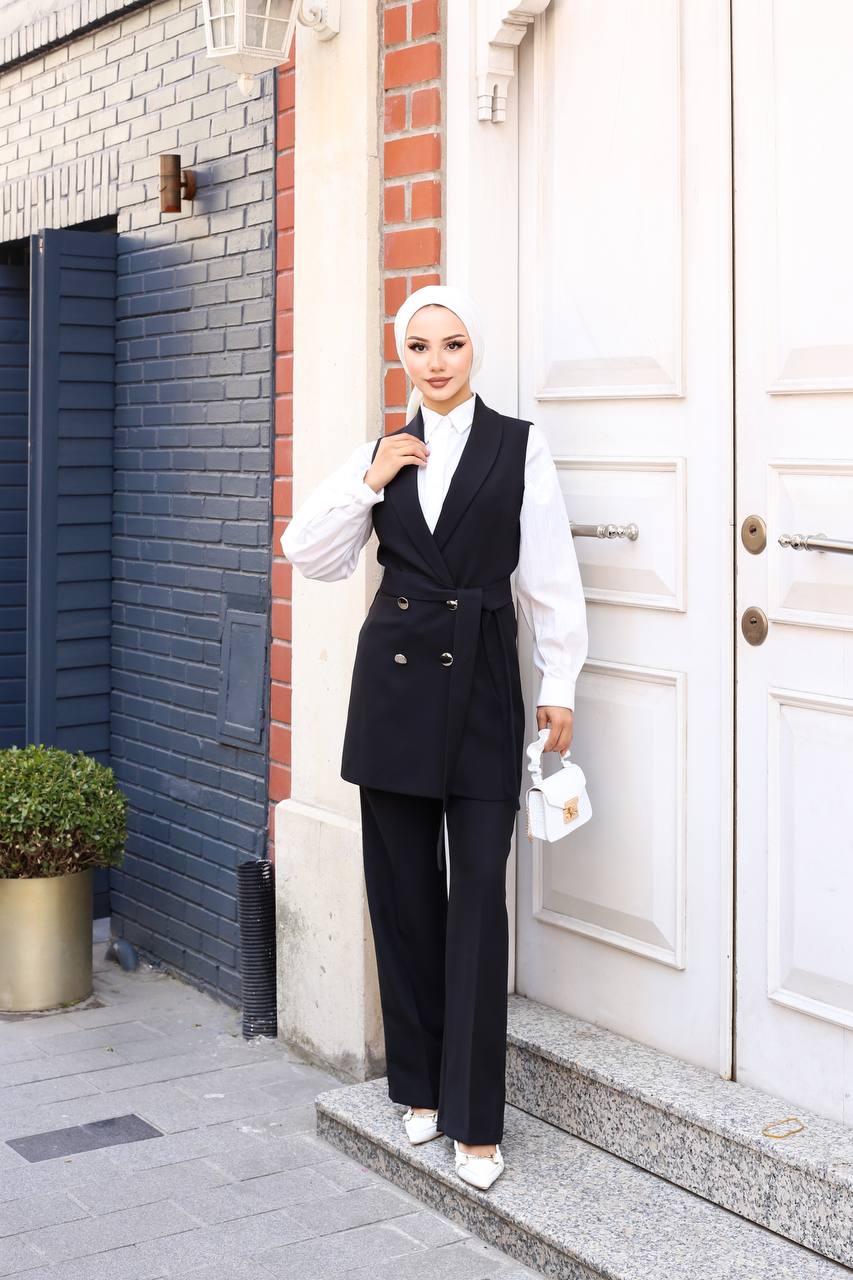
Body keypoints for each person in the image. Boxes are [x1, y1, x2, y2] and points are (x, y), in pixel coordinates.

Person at [281, 284, 588, 1190]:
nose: (436, 361)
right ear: (401, 356)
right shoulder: (377, 454)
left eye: (451, 344)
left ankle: (475, 1121)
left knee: (476, 904)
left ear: (473, 352)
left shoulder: (520, 445)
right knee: (404, 894)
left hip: (487, 685)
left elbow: (551, 575)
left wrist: (560, 680)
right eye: (418, 347)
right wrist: (366, 480)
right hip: (397, 690)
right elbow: (309, 553)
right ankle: (415, 1085)